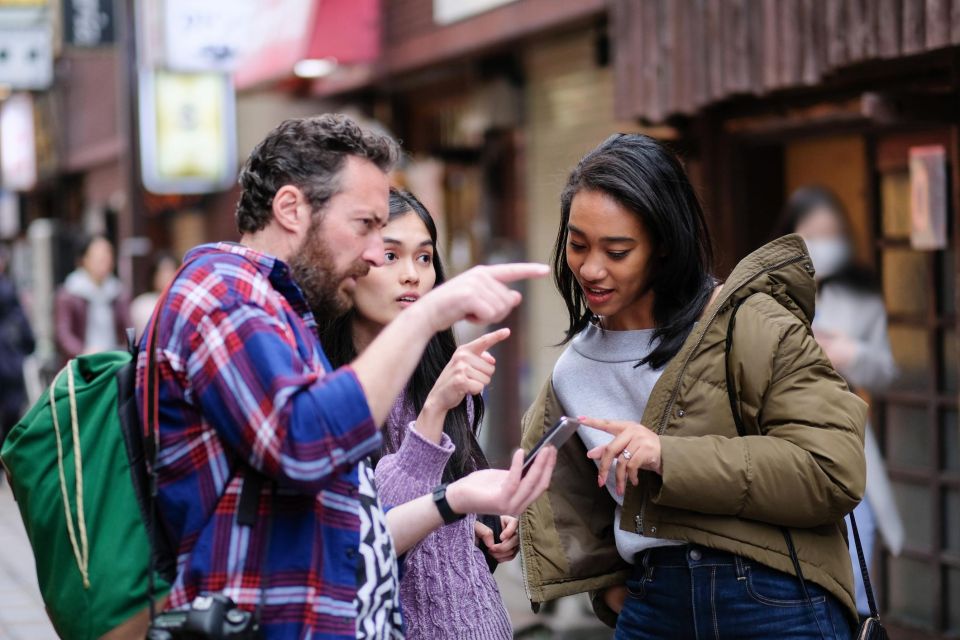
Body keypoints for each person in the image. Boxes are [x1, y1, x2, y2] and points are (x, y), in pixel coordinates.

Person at [135, 114, 556, 640]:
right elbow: (305, 443)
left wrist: (457, 517)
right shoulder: (225, 297)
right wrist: (427, 316)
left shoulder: (272, 306)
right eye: (365, 226)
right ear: (291, 209)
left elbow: (343, 508)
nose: (373, 252)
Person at [518, 133, 867, 639]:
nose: (591, 269)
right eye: (577, 244)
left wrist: (667, 456)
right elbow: (578, 502)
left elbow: (832, 470)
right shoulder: (573, 370)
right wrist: (610, 589)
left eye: (617, 251)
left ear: (663, 245)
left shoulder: (751, 325)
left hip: (770, 599)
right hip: (653, 603)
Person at [321, 188, 516, 640]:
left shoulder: (439, 375)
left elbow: (451, 506)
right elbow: (369, 537)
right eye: (391, 255)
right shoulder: (327, 390)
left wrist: (492, 525)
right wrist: (433, 412)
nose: (412, 275)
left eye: (424, 259)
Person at [780, 185, 904, 618]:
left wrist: (849, 352)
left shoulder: (860, 294)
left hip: (847, 436)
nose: (823, 243)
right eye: (812, 232)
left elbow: (887, 371)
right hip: (782, 437)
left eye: (830, 233)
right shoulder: (768, 294)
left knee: (858, 540)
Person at [55, 234, 132, 360]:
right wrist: (83, 352)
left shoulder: (119, 292)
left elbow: (128, 329)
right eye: (99, 257)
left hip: (113, 361)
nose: (105, 260)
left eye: (108, 255)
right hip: (82, 362)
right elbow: (63, 335)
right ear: (85, 260)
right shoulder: (69, 293)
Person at [0, 243, 34, 447]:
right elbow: (25, 328)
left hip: (9, 360)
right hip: (10, 360)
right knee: (12, 412)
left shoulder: (9, 289)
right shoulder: (9, 289)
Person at [131, 252, 179, 338]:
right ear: (153, 275)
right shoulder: (142, 304)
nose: (167, 276)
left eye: (171, 271)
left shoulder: (181, 303)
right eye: (163, 271)